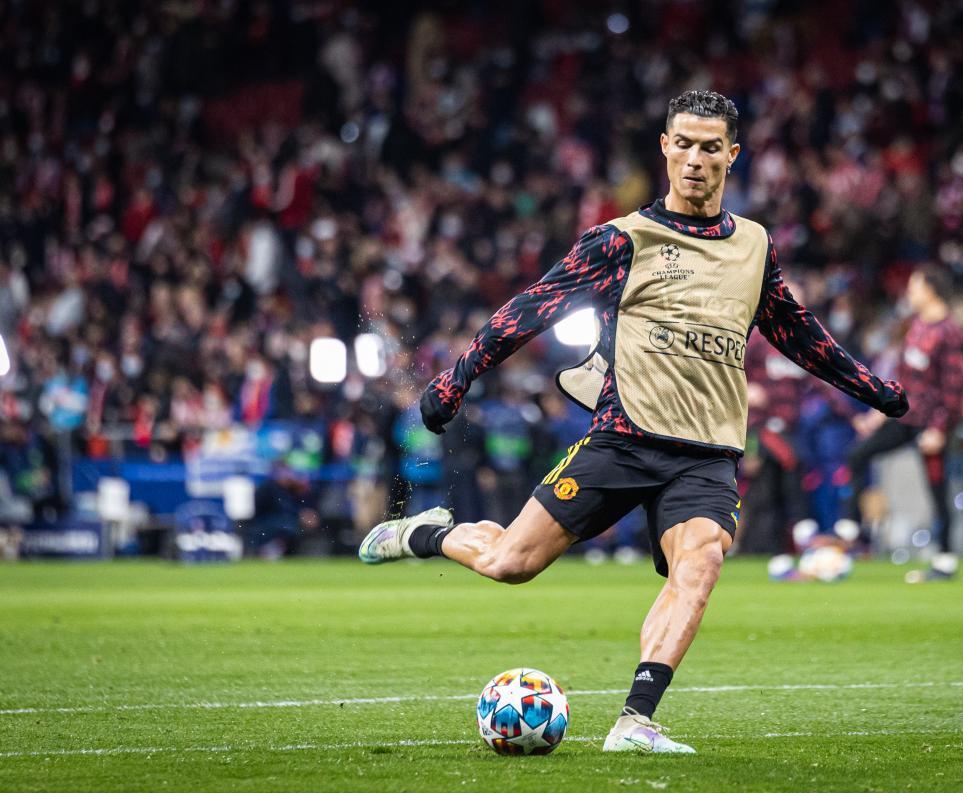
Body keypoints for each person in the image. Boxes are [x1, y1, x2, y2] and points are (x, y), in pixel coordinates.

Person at [359, 91, 908, 753]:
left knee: (700, 562)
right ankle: (423, 535)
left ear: (733, 155)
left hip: (707, 452)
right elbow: (533, 305)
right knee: (510, 563)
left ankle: (635, 721)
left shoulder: (755, 246)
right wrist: (459, 376)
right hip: (623, 438)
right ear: (666, 148)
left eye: (711, 147)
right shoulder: (623, 240)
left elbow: (797, 331)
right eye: (686, 144)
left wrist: (871, 389)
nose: (697, 159)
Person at [847, 264, 963, 582]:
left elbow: (955, 385)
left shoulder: (949, 331)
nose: (909, 293)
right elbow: (904, 378)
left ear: (930, 290)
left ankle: (945, 560)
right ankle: (850, 530)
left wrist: (940, 428)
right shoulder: (915, 326)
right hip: (906, 415)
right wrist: (879, 413)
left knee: (937, 488)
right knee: (857, 454)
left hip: (930, 423)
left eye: (914, 287)